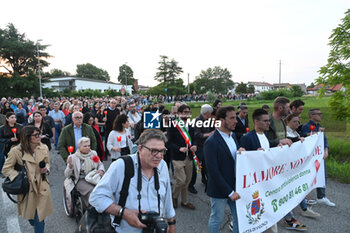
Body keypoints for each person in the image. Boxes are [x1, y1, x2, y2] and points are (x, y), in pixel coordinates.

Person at [89, 129, 176, 233]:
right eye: (154, 150)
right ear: (140, 148)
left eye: (162, 151)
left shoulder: (163, 166)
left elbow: (167, 198)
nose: (159, 156)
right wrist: (124, 213)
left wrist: (171, 223)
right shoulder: (121, 166)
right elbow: (96, 197)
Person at [265, 97, 307, 231]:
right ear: (281, 108)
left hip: (282, 162)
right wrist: (279, 141)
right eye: (288, 107)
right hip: (270, 164)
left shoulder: (282, 122)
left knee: (283, 190)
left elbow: (285, 138)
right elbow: (265, 141)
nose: (290, 109)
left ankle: (286, 218)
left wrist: (297, 139)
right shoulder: (269, 122)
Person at [2, 125, 53, 233]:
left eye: (39, 134)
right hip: (27, 188)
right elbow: (6, 169)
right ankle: (33, 223)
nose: (40, 136)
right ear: (27, 137)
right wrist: (19, 177)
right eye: (36, 135)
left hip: (42, 186)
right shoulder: (16, 151)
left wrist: (46, 169)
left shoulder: (43, 147)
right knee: (31, 217)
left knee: (40, 217)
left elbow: (47, 163)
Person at [204, 106, 245, 233]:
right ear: (221, 120)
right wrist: (229, 191)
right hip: (220, 189)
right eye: (232, 118)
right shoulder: (211, 142)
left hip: (235, 186)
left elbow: (232, 159)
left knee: (239, 217)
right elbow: (213, 171)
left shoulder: (232, 136)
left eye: (236, 117)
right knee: (217, 218)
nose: (236, 121)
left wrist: (241, 153)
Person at [301, 108, 335, 207]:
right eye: (318, 114)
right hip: (311, 157)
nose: (321, 115)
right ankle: (304, 197)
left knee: (322, 174)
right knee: (308, 176)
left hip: (319, 155)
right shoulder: (306, 127)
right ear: (311, 116)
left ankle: (321, 196)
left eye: (321, 113)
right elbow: (304, 139)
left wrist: (326, 150)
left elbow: (324, 139)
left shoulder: (319, 126)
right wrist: (313, 134)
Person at [168, 104, 197, 210]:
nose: (187, 114)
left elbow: (194, 138)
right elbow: (169, 142)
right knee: (181, 180)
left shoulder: (191, 124)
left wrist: (195, 145)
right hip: (177, 157)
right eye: (185, 112)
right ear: (179, 113)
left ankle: (185, 201)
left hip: (189, 157)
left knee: (187, 181)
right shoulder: (173, 125)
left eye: (188, 112)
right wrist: (178, 148)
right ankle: (174, 196)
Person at [64, 137, 105, 209]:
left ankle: (104, 207)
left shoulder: (93, 154)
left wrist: (101, 170)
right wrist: (70, 166)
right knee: (92, 191)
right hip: (81, 179)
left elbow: (99, 164)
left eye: (89, 146)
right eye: (85, 146)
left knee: (103, 189)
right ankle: (92, 208)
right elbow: (67, 175)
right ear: (79, 147)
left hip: (94, 176)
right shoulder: (74, 157)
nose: (87, 148)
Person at [189, 104, 215, 193]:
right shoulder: (198, 120)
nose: (211, 114)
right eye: (210, 113)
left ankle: (206, 182)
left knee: (206, 166)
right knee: (196, 167)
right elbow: (197, 135)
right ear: (207, 113)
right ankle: (191, 185)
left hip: (206, 146)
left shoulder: (207, 120)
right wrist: (209, 134)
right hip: (198, 146)